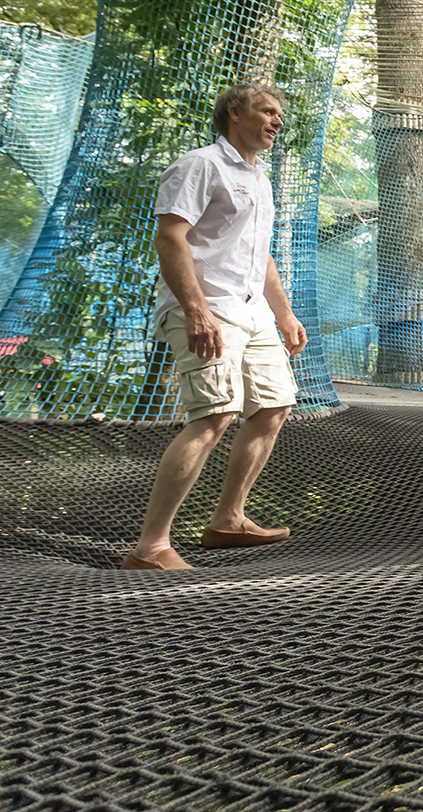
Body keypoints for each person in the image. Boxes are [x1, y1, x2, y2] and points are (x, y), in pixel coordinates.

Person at [120, 84, 308, 570]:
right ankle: (150, 548)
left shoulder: (261, 178)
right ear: (234, 113)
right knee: (215, 416)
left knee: (274, 406)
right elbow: (170, 238)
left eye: (279, 114)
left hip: (252, 312)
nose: (277, 121)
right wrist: (197, 310)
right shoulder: (200, 165)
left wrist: (283, 312)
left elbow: (258, 251)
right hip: (207, 307)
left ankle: (228, 520)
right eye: (268, 111)